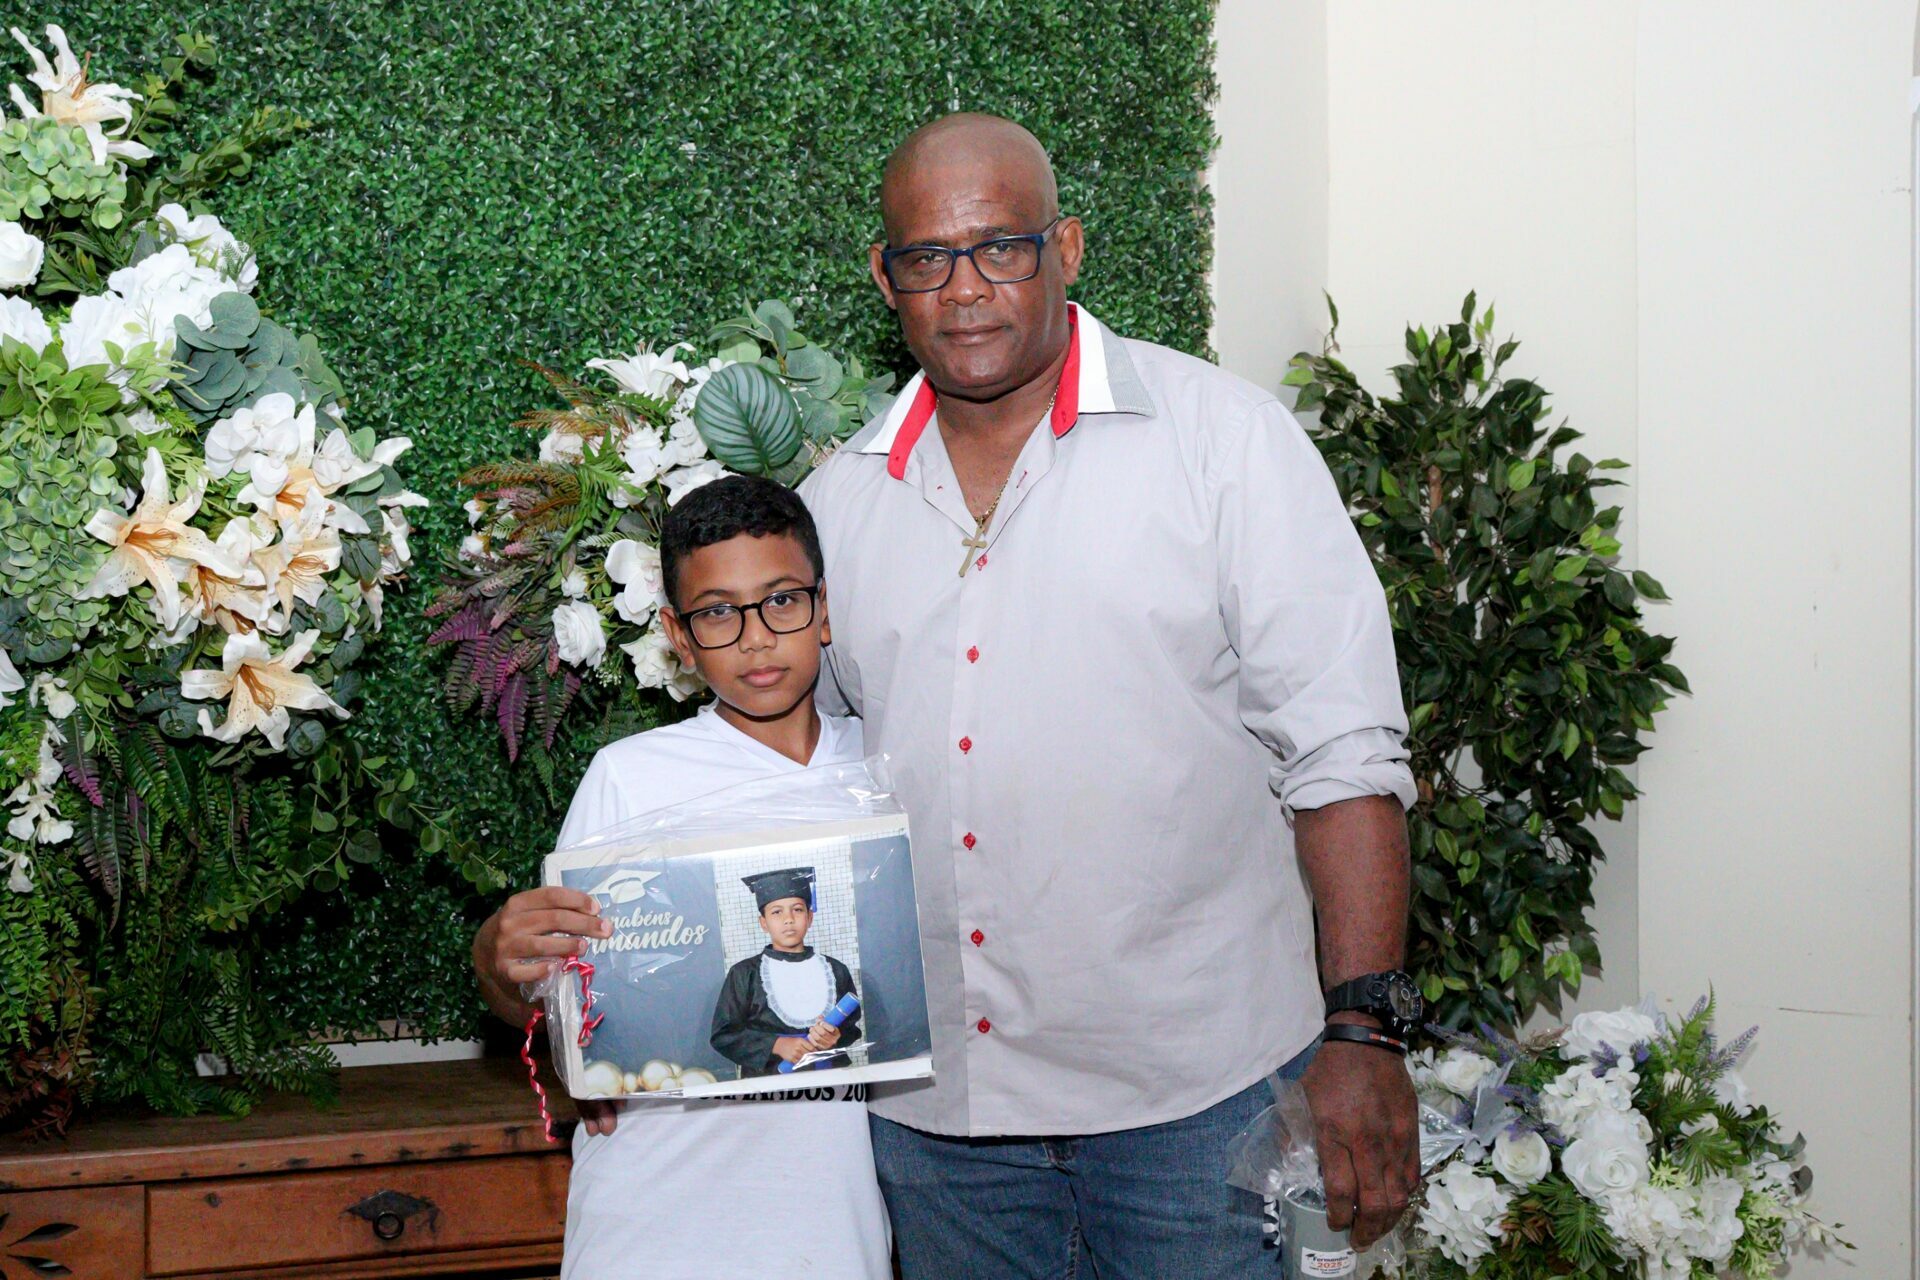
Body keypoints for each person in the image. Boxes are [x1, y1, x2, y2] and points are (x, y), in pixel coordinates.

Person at [797, 112, 1423, 1277]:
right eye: (928, 257)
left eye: (1003, 246)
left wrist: (1365, 1029)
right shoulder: (840, 502)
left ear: (1069, 247)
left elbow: (1344, 756)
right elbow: (806, 781)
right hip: (942, 1130)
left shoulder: (1225, 444)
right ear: (886, 277)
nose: (966, 288)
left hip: (1199, 1104)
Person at [472, 475, 889, 1280]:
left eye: (782, 601)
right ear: (678, 635)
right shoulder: (631, 778)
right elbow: (543, 995)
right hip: (655, 1214)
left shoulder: (878, 763)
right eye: (719, 613)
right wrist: (500, 957)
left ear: (824, 608)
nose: (757, 639)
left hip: (828, 1222)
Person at [711, 866, 863, 1077]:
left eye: (797, 910)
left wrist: (835, 1036)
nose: (788, 919)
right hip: (768, 1083)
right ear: (763, 923)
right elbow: (723, 1036)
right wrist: (777, 1044)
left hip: (829, 1080)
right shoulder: (744, 974)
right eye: (776, 912)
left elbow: (851, 1028)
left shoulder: (835, 970)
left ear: (809, 917)